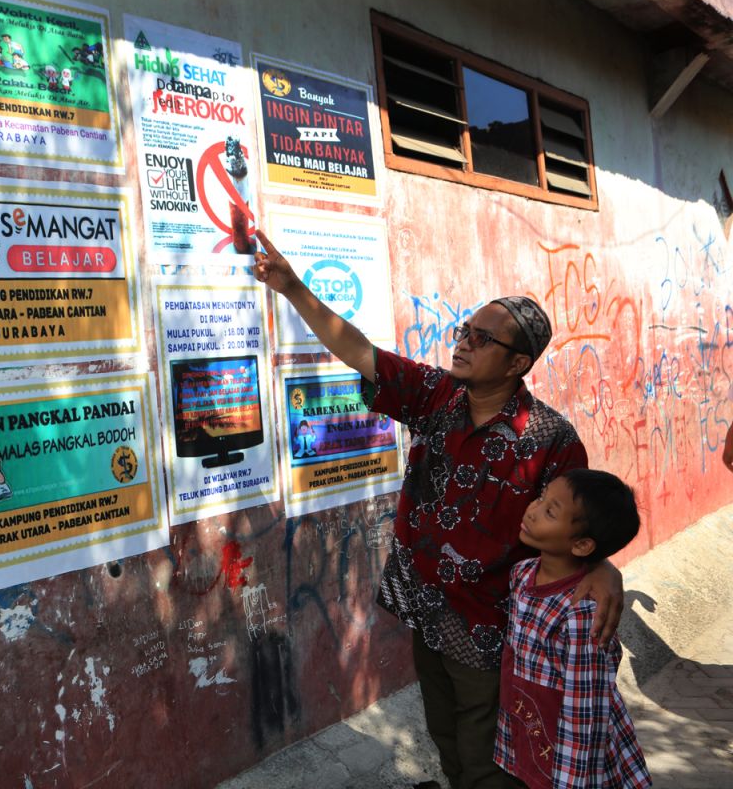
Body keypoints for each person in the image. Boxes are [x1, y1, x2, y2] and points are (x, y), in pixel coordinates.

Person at [253, 230, 624, 789]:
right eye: (464, 331)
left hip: (492, 628)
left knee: (486, 759)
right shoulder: (438, 398)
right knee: (446, 738)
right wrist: (291, 288)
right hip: (428, 610)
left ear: (518, 362)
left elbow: (581, 523)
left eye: (483, 338)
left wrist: (604, 568)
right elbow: (358, 350)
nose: (464, 343)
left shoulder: (552, 439)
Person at [495, 469, 651, 788]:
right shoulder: (521, 575)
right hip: (528, 733)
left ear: (581, 545)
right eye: (541, 498)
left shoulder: (582, 613)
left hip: (572, 759)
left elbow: (585, 713)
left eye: (550, 511)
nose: (533, 510)